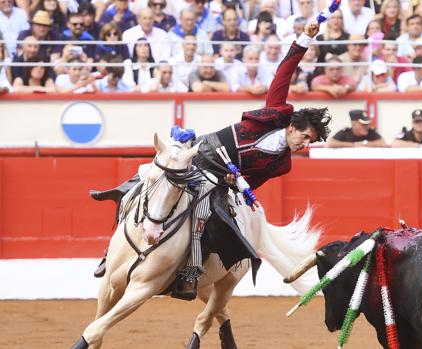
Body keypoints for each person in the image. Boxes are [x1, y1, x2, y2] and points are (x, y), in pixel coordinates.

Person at [89, 20, 331, 300]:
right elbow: (284, 72)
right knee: (145, 178)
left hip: (217, 179)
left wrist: (233, 181)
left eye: (310, 140)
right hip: (200, 150)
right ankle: (111, 254)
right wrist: (304, 39)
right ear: (291, 127)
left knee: (211, 219)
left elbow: (250, 181)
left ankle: (189, 275)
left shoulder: (282, 164)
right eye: (305, 135)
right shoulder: (275, 113)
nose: (305, 143)